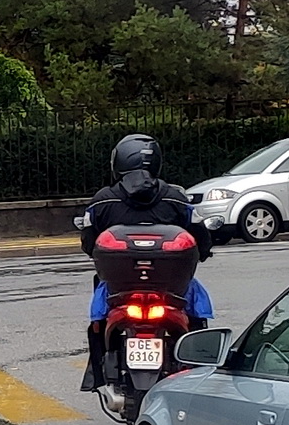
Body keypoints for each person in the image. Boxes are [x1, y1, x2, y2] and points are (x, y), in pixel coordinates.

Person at [78, 134, 214, 391]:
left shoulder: (102, 201)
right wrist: (204, 251)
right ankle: (200, 370)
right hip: (172, 290)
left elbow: (88, 244)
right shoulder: (176, 198)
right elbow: (201, 239)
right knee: (197, 313)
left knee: (98, 318)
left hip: (119, 291)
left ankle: (97, 374)